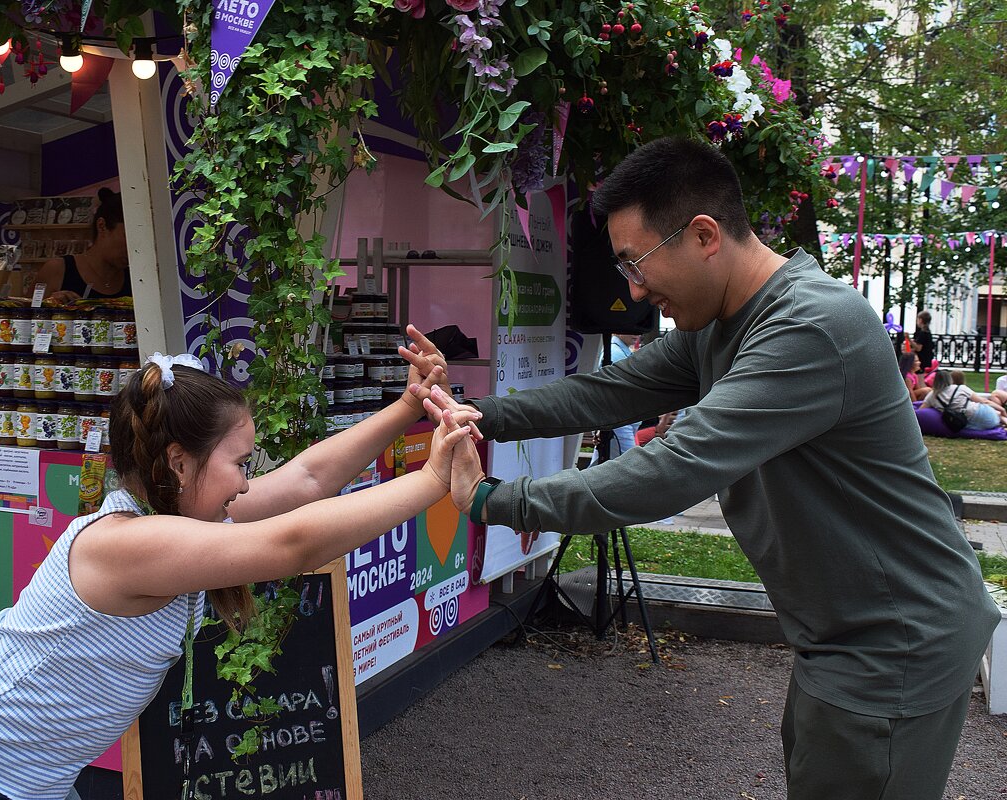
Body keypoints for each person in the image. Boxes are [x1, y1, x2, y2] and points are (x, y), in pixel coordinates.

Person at [419, 137, 999, 800]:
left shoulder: (810, 327)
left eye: (636, 265)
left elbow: (670, 469)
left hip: (896, 643)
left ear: (703, 236)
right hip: (842, 637)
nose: (634, 290)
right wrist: (472, 415)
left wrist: (491, 498)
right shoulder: (722, 323)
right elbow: (604, 393)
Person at [0, 327, 479, 800]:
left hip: (8, 776)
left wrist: (406, 406)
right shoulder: (124, 544)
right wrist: (431, 482)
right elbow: (292, 545)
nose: (247, 481)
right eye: (238, 463)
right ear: (179, 463)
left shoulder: (182, 517)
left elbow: (310, 477)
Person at [36, 188, 130, 303]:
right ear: (102, 226)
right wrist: (49, 305)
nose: (134, 247)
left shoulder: (137, 278)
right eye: (128, 236)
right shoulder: (57, 270)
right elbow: (24, 314)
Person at [924, 369, 1007, 429]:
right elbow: (984, 401)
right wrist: (1002, 409)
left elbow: (921, 410)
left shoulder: (931, 395)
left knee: (994, 415)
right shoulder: (960, 388)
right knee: (996, 414)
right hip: (988, 418)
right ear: (949, 379)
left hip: (962, 422)